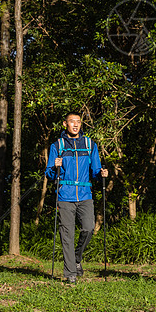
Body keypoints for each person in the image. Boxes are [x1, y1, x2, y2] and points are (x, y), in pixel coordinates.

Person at [45, 112, 109, 284]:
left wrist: (102, 174)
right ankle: (70, 273)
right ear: (65, 123)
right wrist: (55, 166)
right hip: (65, 194)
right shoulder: (57, 145)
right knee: (67, 234)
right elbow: (49, 173)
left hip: (85, 194)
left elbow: (95, 171)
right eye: (72, 121)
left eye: (78, 122)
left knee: (88, 228)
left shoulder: (89, 144)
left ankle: (76, 257)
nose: (76, 124)